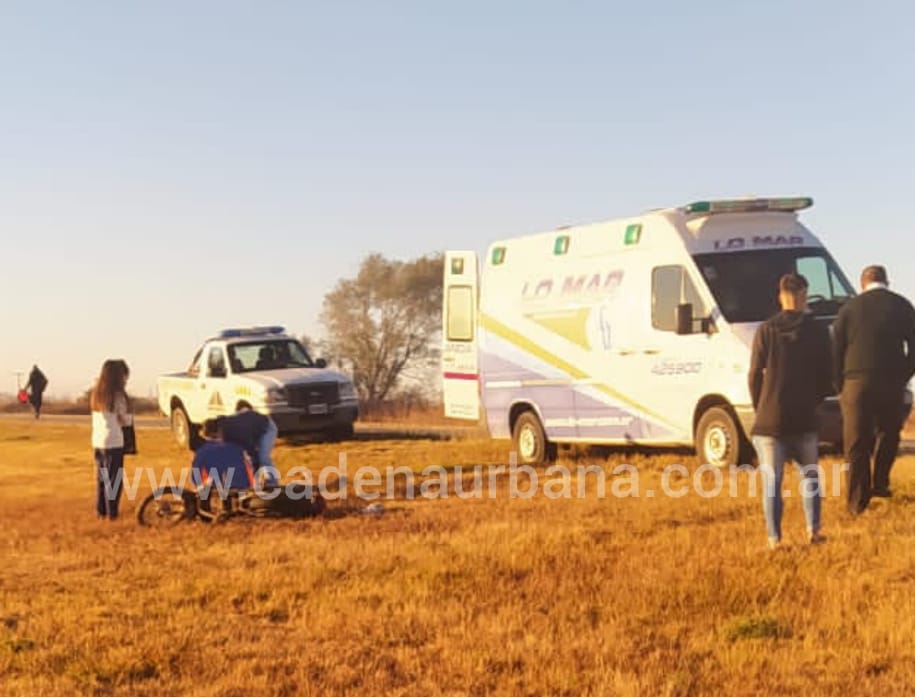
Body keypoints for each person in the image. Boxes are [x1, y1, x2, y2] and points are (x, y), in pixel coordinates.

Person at [748, 274, 832, 549]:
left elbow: (754, 374)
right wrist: (814, 400)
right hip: (804, 417)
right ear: (805, 295)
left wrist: (760, 405)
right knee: (810, 478)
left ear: (780, 295)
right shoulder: (817, 331)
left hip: (770, 419)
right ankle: (814, 531)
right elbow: (827, 376)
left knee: (772, 484)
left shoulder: (766, 330)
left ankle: (775, 539)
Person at [832, 264, 915, 514]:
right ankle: (880, 482)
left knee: (856, 442)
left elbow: (836, 350)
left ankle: (857, 501)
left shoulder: (848, 309)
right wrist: (903, 375)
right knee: (889, 432)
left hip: (855, 383)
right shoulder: (901, 305)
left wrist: (840, 386)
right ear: (886, 282)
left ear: (862, 284)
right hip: (890, 380)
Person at [90, 359, 132, 520]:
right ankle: (112, 513)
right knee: (114, 479)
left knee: (101, 477)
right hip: (114, 441)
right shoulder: (118, 396)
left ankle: (101, 510)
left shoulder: (97, 394)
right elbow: (125, 421)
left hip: (98, 440)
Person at [210, 408, 279, 486]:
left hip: (267, 428)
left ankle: (273, 482)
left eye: (215, 437)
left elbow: (252, 452)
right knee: (250, 460)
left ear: (218, 430)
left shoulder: (237, 430)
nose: (216, 440)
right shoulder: (226, 432)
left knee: (262, 457)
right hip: (252, 430)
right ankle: (254, 483)